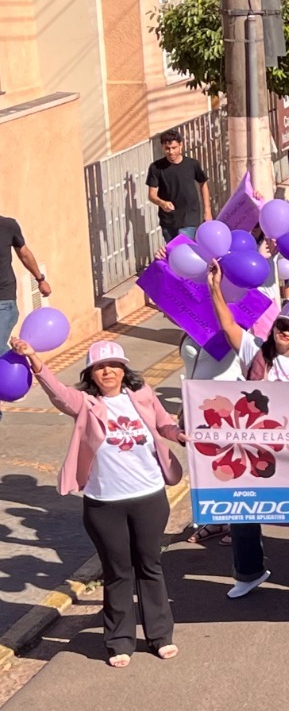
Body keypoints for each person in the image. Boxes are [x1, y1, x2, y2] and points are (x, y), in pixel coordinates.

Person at [10, 337, 184, 667]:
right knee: (117, 571)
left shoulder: (142, 394)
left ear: (123, 370)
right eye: (100, 367)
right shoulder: (84, 404)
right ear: (91, 374)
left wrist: (178, 434)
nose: (108, 372)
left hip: (149, 496)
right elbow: (57, 391)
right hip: (105, 503)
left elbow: (163, 422)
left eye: (114, 366)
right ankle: (119, 640)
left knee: (150, 565)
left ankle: (160, 636)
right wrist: (34, 357)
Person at [204, 269, 289, 599]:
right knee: (243, 510)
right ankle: (248, 573)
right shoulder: (255, 353)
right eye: (282, 326)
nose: (285, 334)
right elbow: (229, 326)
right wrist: (215, 288)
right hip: (253, 447)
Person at [146, 129, 211, 243]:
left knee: (183, 247)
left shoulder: (192, 164)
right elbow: (152, 195)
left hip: (189, 217)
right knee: (173, 252)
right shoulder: (156, 167)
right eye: (167, 148)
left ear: (181, 145)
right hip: (168, 219)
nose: (171, 152)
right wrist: (162, 203)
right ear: (162, 147)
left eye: (174, 148)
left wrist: (207, 210)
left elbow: (203, 183)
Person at [0, 214, 49, 346]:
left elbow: (24, 254)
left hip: (3, 300)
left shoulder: (7, 226)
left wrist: (40, 279)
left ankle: (20, 364)